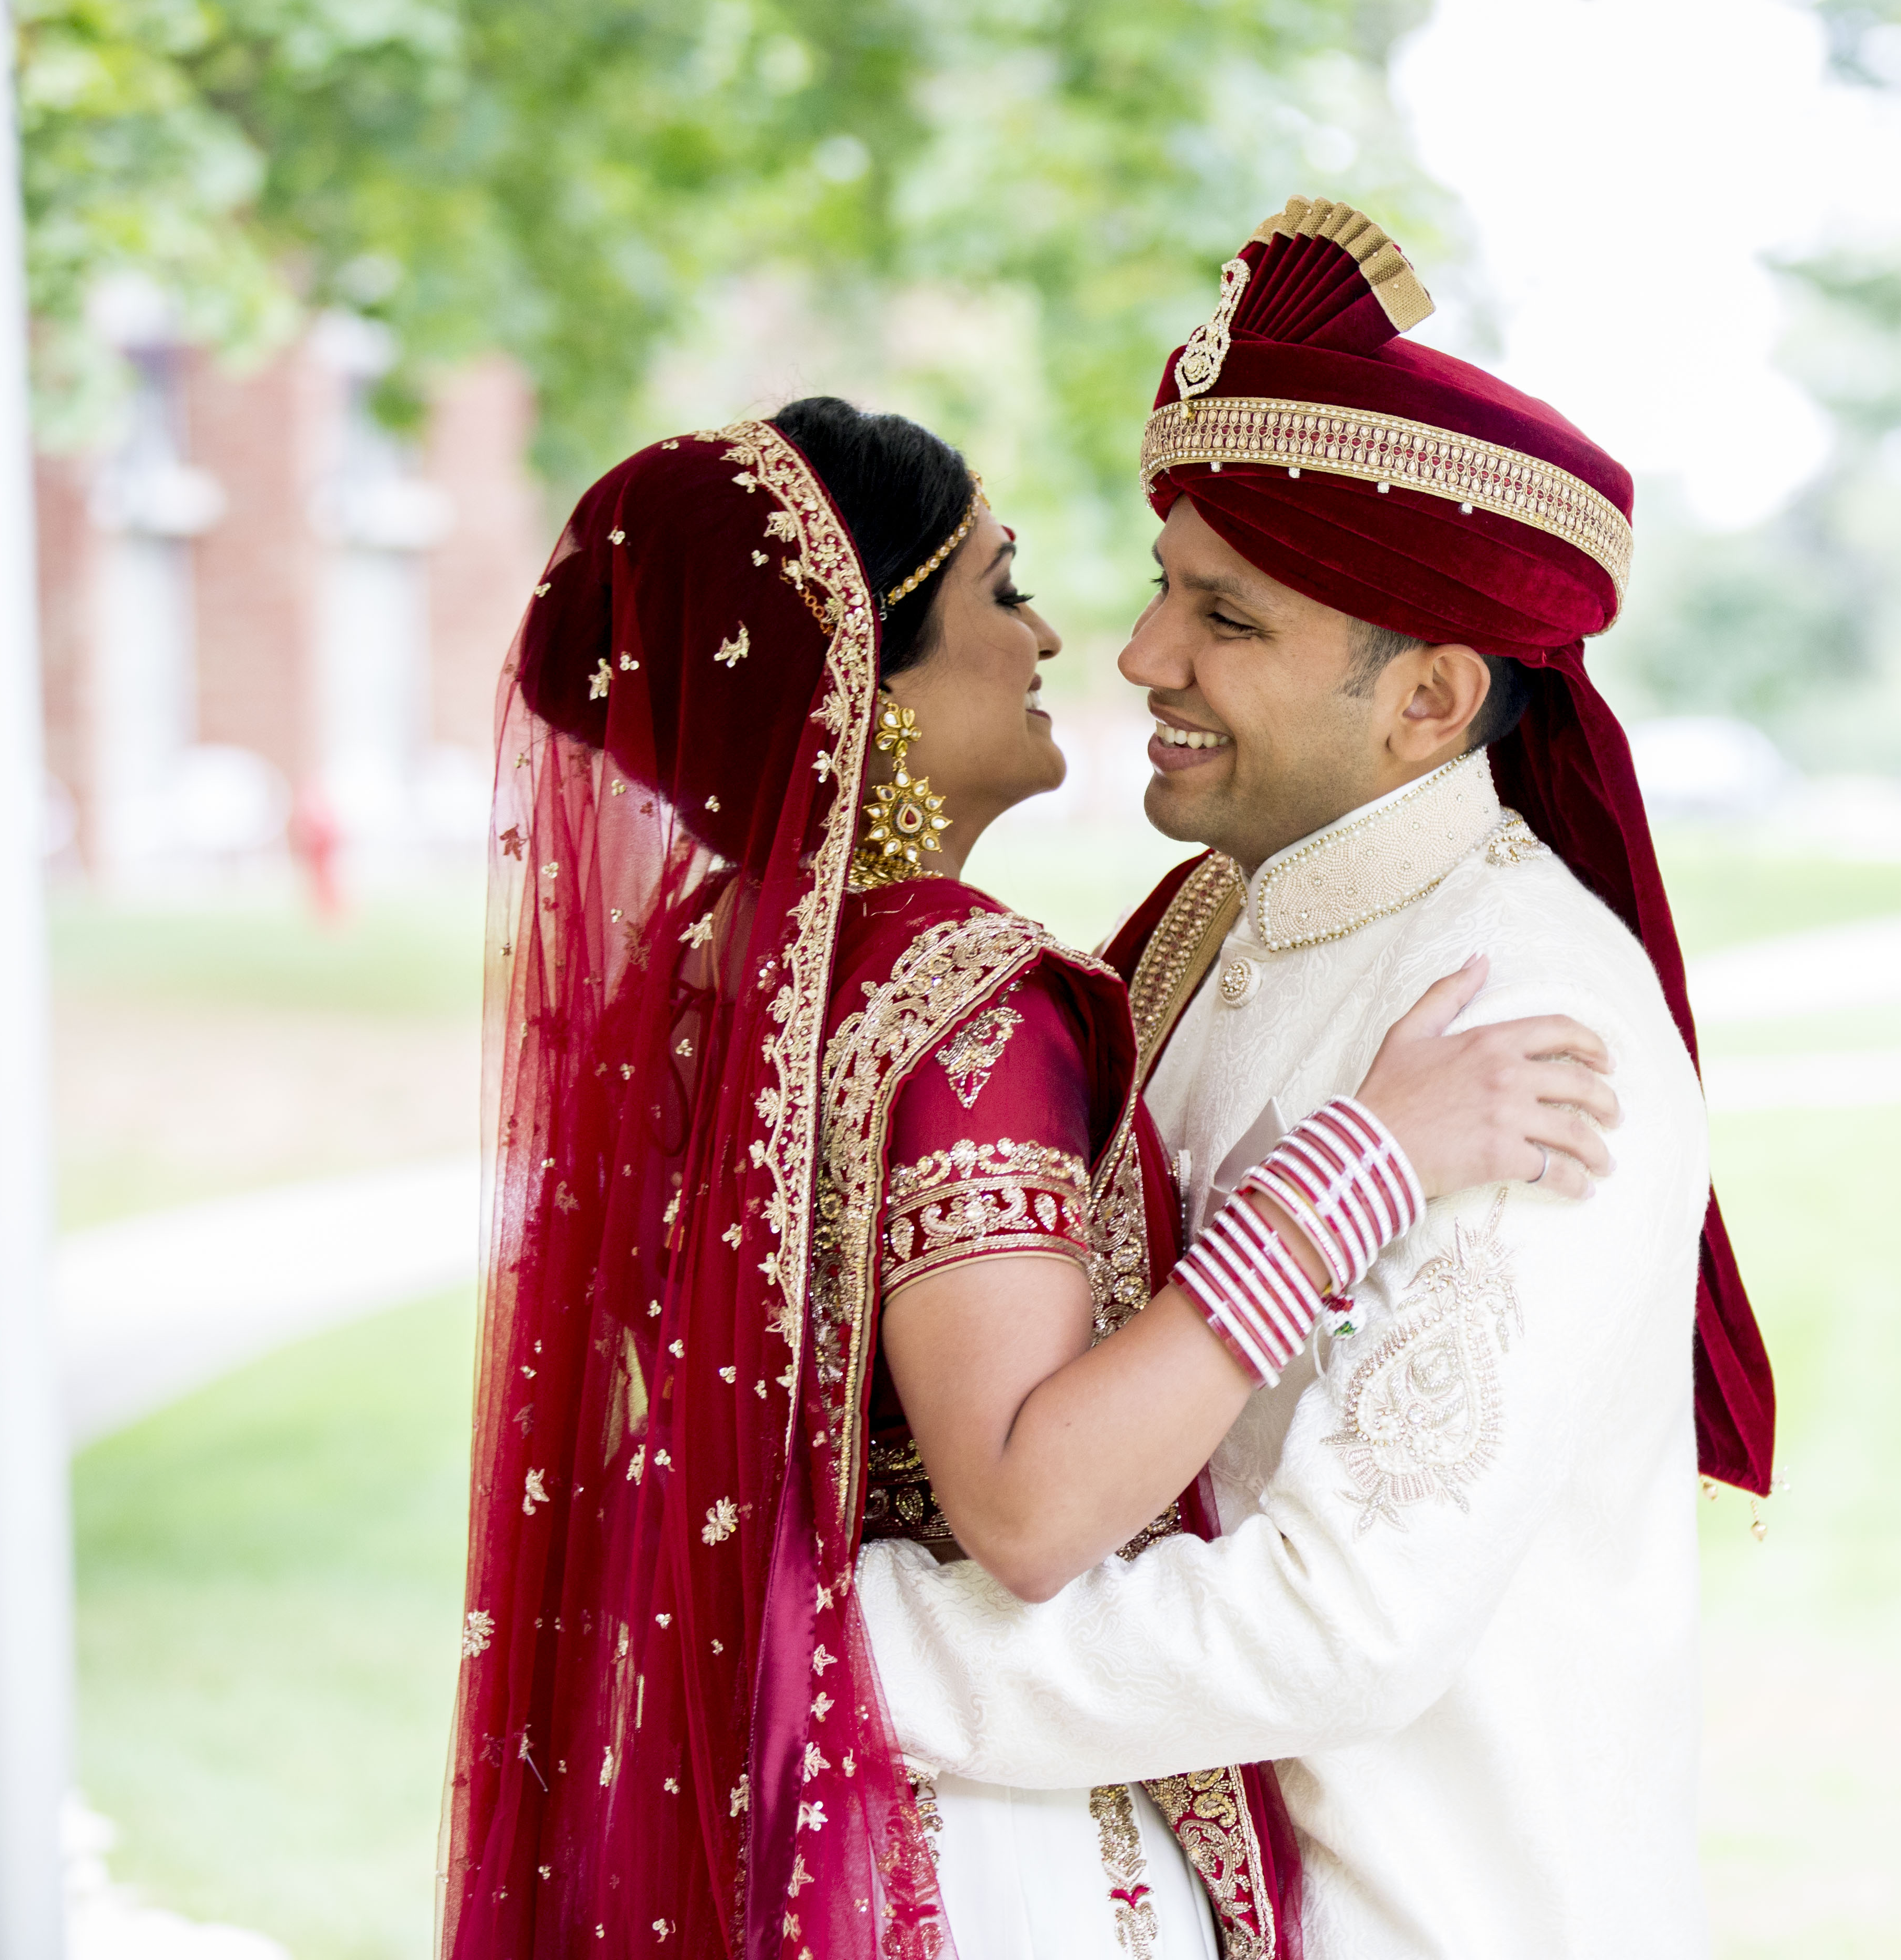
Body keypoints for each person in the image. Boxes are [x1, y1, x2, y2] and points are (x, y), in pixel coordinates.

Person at [441, 395, 1622, 1960]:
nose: (1081, 642)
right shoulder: (960, 997)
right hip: (968, 1849)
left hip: (744, 1816)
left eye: (1215, 615)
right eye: (1001, 593)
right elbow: (1032, 1498)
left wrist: (746, 1635)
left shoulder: (690, 985)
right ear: (865, 687)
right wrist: (1360, 1170)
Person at [852, 198, 1780, 1956]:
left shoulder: (1527, 1028)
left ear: (1427, 699)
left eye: (1227, 617)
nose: (1143, 656)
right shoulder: (1210, 923)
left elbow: (1341, 1623)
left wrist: (832, 1645)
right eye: (1162, 586)